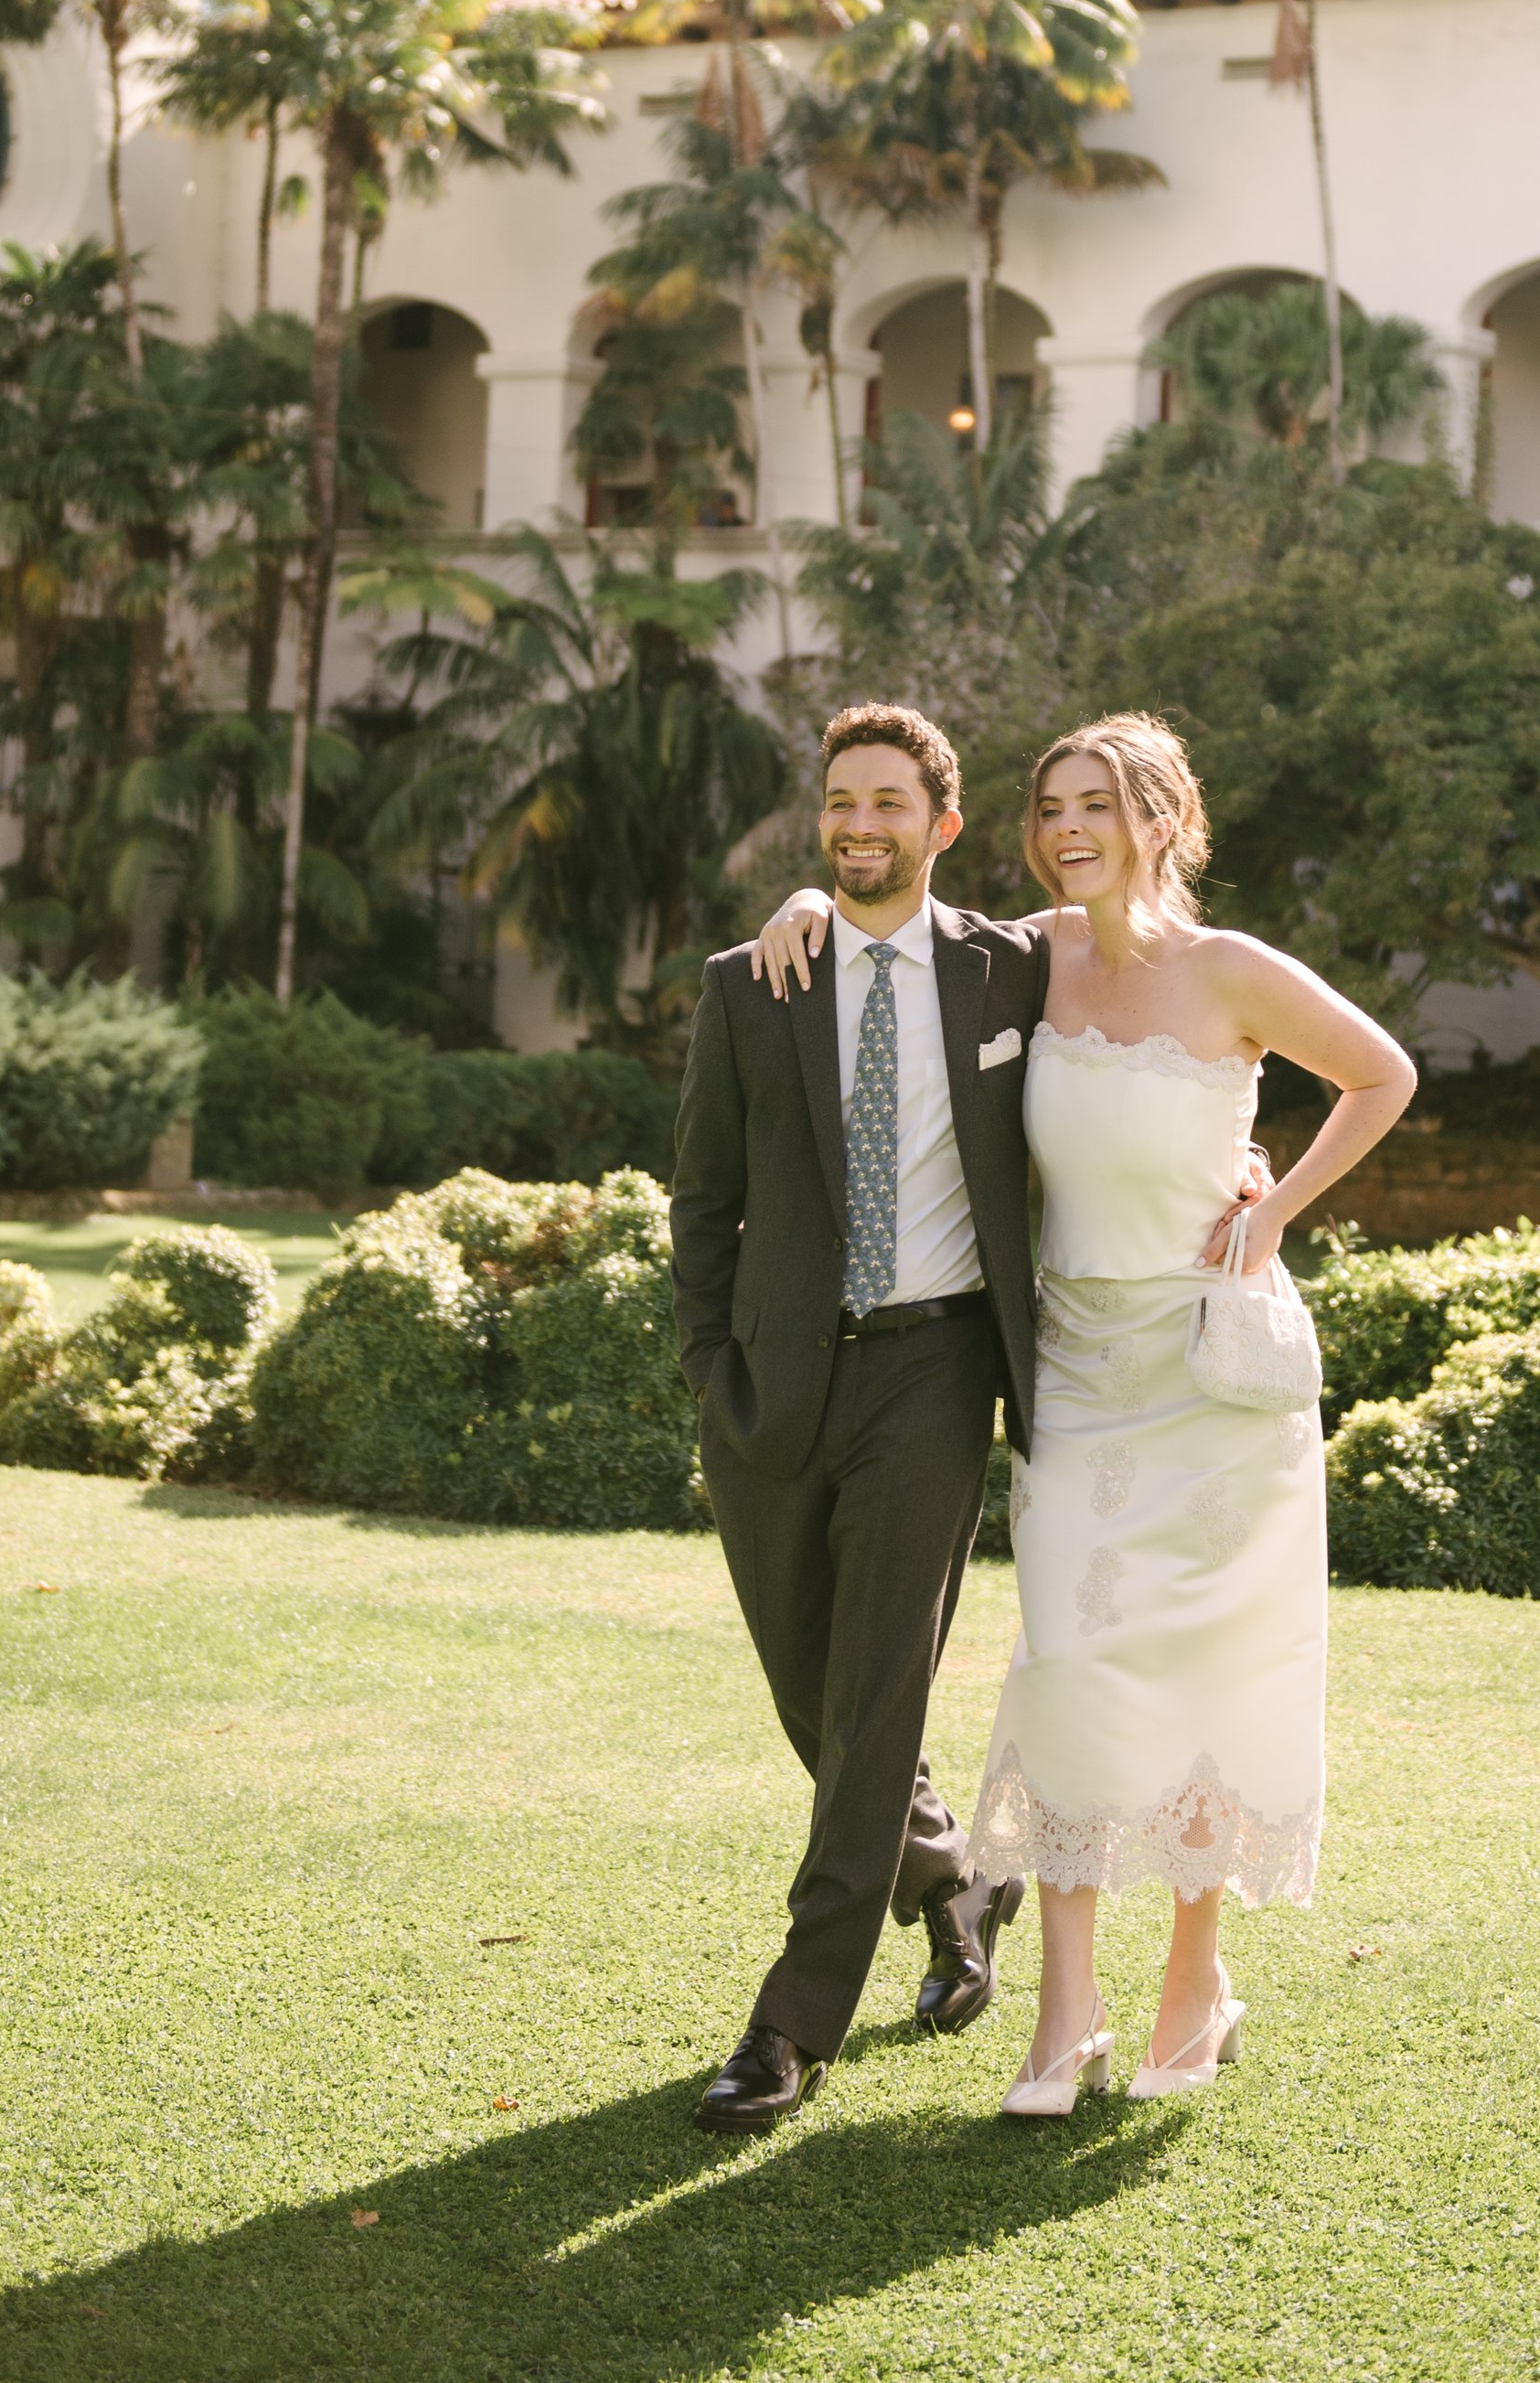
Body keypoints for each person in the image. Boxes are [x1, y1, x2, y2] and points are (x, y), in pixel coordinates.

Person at [753, 713, 1413, 2114]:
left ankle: (1195, 1984)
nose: (1066, 828)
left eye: (1096, 804)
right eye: (1051, 805)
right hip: (1074, 1375)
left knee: (1203, 1679)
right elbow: (900, 922)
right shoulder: (1029, 955)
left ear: (1159, 818)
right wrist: (812, 893)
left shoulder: (1231, 968)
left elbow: (1384, 1073)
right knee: (1067, 1670)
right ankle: (1066, 2009)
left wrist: (1277, 1212)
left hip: (1212, 1379)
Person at [669, 701, 1053, 2136]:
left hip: (934, 1372)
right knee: (816, 1697)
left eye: (889, 800)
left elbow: (1151, 988)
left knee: (878, 1690)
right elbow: (702, 1196)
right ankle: (957, 1881)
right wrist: (709, 1361)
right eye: (841, 800)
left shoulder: (1015, 968)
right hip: (772, 1380)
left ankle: (791, 2021)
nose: (859, 822)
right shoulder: (752, 981)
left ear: (943, 823)